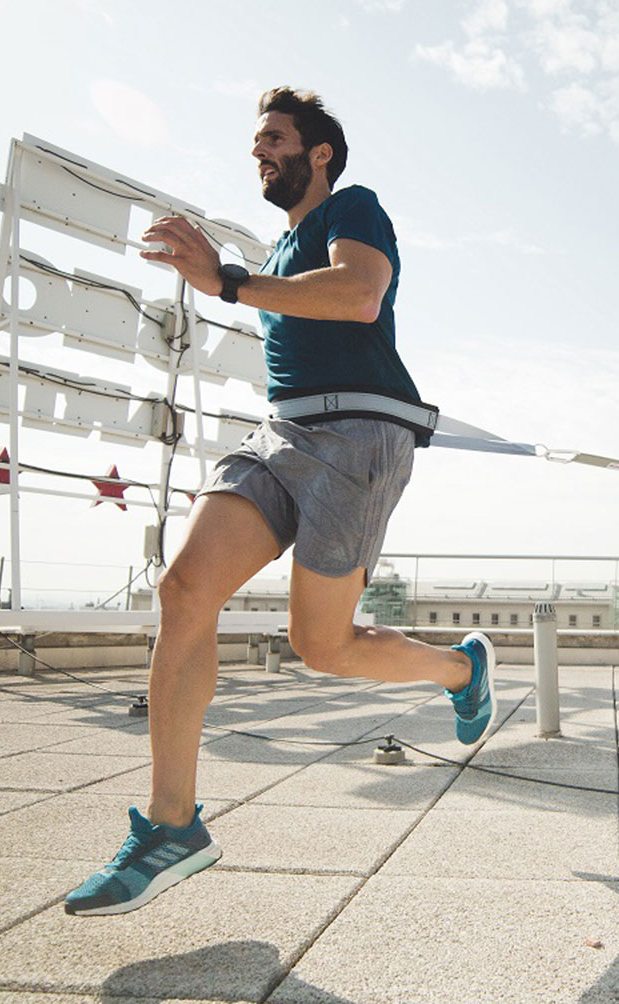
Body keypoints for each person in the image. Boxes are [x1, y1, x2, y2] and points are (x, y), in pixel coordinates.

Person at [65, 86, 494, 916]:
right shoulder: (283, 242)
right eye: (255, 140)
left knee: (322, 646)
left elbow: (358, 295)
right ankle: (171, 827)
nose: (258, 152)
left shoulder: (354, 208)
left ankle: (459, 669)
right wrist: (236, 278)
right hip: (280, 436)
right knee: (184, 590)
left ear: (318, 153)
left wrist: (227, 281)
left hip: (358, 441)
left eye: (273, 138)